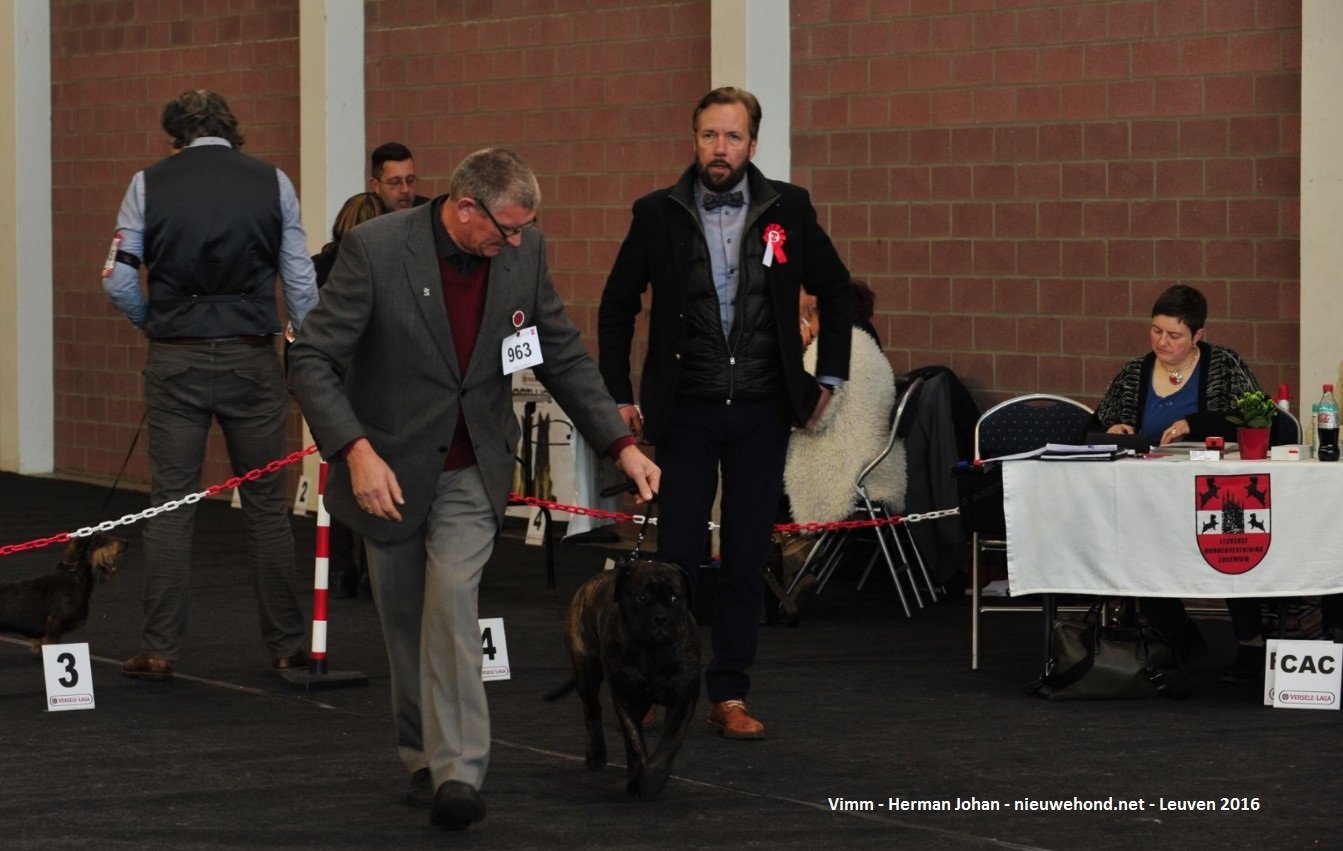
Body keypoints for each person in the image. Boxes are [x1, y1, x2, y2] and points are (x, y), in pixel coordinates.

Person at [288, 147, 659, 831]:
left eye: (523, 229)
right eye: (505, 229)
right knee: (404, 626)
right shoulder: (374, 250)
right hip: (388, 470)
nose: (514, 242)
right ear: (464, 208)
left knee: (453, 600)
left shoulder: (524, 253)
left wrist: (621, 443)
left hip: (472, 468)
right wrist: (356, 452)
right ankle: (422, 757)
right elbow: (310, 356)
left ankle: (459, 769)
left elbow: (562, 354)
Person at [599, 86, 853, 740]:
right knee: (677, 558)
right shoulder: (655, 212)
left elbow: (835, 287)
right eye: (710, 135)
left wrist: (829, 374)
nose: (720, 148)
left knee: (744, 556)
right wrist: (617, 393)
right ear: (693, 139)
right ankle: (661, 683)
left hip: (763, 409)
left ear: (752, 144)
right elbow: (616, 303)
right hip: (684, 409)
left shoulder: (788, 207)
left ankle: (729, 692)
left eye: (733, 137)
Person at [100, 89, 317, 681]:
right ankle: (288, 646)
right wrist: (309, 351)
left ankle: (160, 649)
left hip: (177, 359)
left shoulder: (147, 184)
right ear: (232, 128)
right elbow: (300, 284)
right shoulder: (273, 182)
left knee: (171, 505)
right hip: (253, 356)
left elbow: (119, 285)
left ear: (177, 136)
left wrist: (159, 326)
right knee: (269, 507)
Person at [1093, 284, 1263, 663]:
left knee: (1234, 537)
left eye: (1174, 335)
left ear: (1198, 335)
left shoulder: (1224, 365)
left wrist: (1195, 423)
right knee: (1134, 546)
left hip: (1215, 491)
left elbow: (1263, 420)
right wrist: (1113, 431)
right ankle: (1180, 635)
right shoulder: (1135, 372)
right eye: (1156, 330)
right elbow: (1093, 425)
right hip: (1147, 493)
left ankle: (1250, 642)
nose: (1162, 342)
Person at [310, 191, 386, 598]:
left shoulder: (319, 266)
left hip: (332, 383)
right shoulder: (386, 263)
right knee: (383, 474)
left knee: (340, 473)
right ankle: (377, 568)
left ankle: (340, 569)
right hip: (374, 381)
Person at [369, 142, 429, 211]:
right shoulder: (364, 216)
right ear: (376, 186)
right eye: (395, 182)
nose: (405, 190)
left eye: (410, 181)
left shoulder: (428, 212)